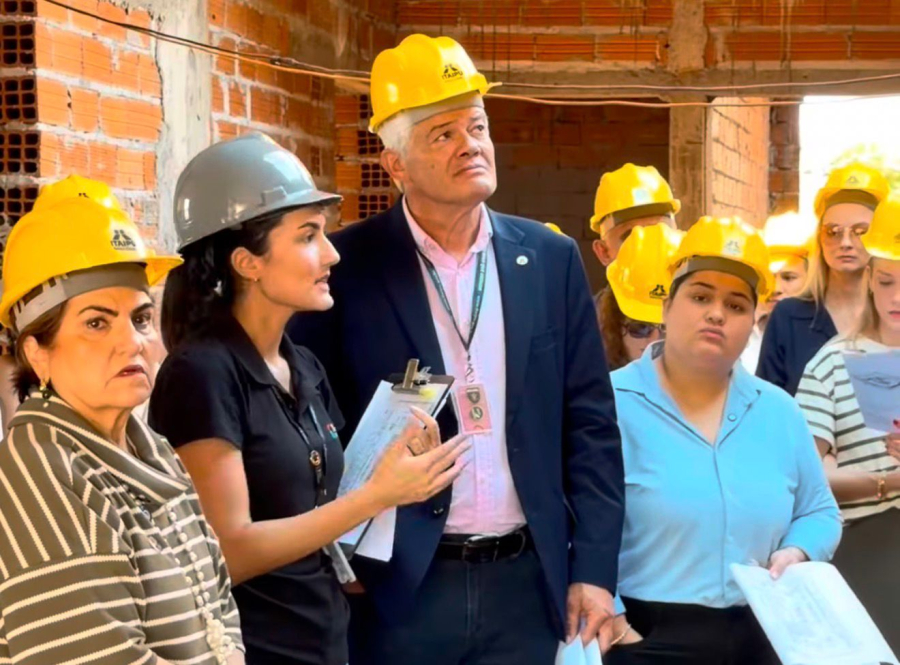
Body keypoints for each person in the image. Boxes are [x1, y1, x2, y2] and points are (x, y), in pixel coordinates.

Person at [289, 34, 625, 665]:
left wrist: (596, 569)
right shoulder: (349, 265)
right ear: (395, 165)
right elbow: (313, 423)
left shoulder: (549, 260)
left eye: (477, 126)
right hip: (399, 585)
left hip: (526, 581)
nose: (470, 144)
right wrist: (340, 549)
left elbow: (592, 425)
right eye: (441, 134)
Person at [149, 132, 470, 665]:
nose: (332, 253)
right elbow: (227, 551)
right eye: (307, 236)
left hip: (322, 640)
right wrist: (377, 496)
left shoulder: (302, 365)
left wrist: (392, 465)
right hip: (255, 648)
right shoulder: (201, 374)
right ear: (247, 262)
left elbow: (317, 506)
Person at [0, 180, 247, 664]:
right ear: (38, 352)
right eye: (97, 322)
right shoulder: (41, 474)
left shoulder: (151, 450)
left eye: (140, 319)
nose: (132, 341)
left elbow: (220, 611)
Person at [604, 216, 842, 664]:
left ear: (753, 321)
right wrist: (617, 624)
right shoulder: (609, 405)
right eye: (700, 297)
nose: (716, 313)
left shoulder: (778, 411)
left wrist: (797, 549)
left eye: (736, 306)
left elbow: (819, 510)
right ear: (666, 308)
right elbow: (568, 525)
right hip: (643, 635)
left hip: (761, 634)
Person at [795, 194, 900, 650]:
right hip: (868, 551)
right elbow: (803, 474)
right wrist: (889, 481)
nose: (897, 297)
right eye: (887, 281)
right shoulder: (833, 363)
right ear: (870, 282)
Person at [757, 163, 890, 395]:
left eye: (861, 232)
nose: (846, 243)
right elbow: (766, 407)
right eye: (833, 232)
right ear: (819, 239)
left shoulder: (893, 315)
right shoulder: (789, 316)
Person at [740, 211, 816, 373]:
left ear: (811, 279)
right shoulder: (741, 329)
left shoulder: (822, 334)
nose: (775, 289)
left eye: (788, 278)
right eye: (769, 278)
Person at [601, 223, 683, 370]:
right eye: (640, 328)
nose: (655, 341)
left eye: (668, 328)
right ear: (616, 327)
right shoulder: (596, 388)